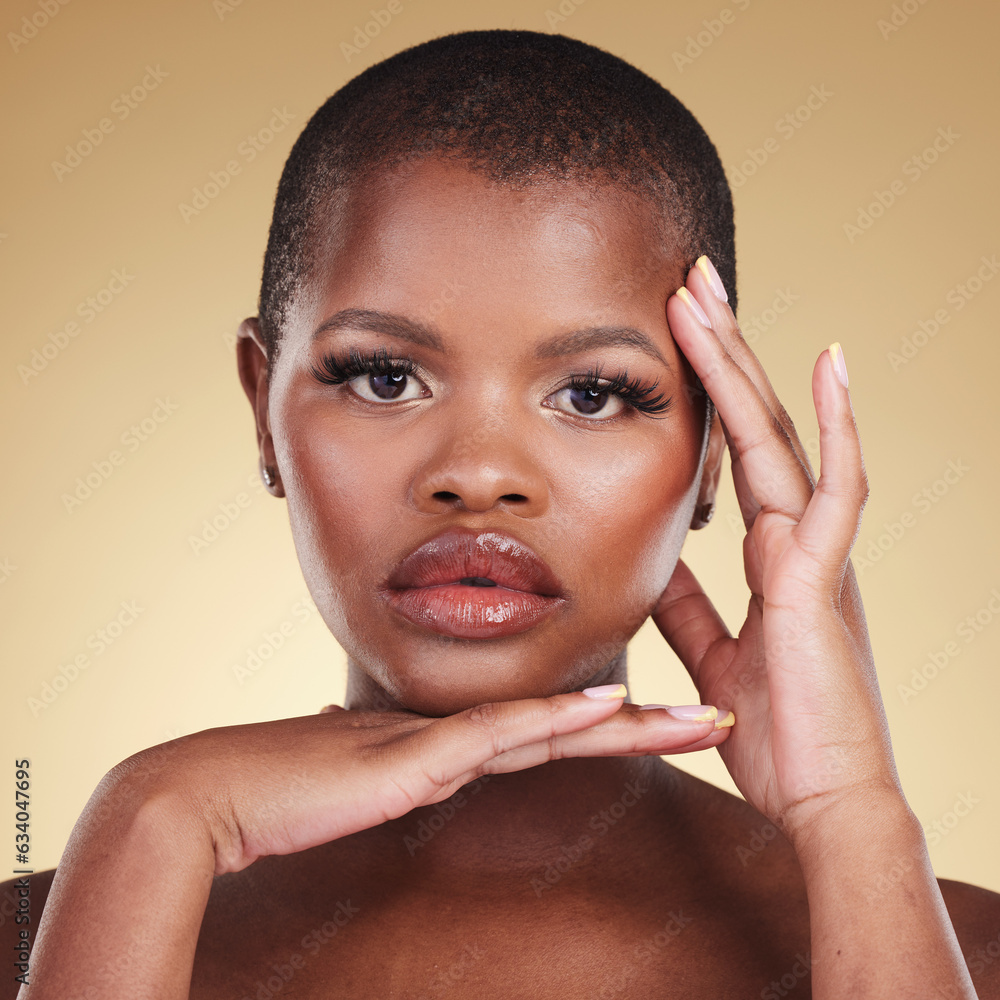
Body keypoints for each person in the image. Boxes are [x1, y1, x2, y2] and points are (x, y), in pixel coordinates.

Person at [6, 28, 1000, 999]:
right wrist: (148, 820)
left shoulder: (964, 956)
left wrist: (855, 820)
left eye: (593, 393)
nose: (478, 475)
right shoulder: (44, 937)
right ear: (263, 408)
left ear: (711, 456)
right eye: (385, 378)